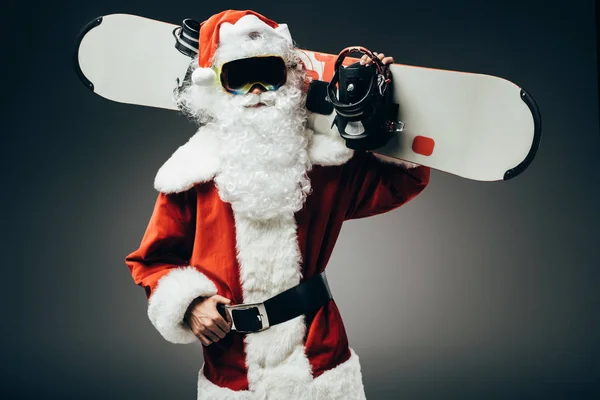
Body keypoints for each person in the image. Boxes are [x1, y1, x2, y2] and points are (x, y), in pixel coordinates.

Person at [125, 9, 430, 399]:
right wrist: (189, 305)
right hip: (233, 369)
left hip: (320, 362)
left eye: (267, 75)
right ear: (217, 87)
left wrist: (386, 115)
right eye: (238, 77)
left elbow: (399, 181)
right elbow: (152, 262)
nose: (255, 90)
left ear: (289, 80)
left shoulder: (323, 161)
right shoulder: (190, 174)